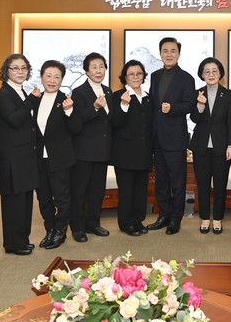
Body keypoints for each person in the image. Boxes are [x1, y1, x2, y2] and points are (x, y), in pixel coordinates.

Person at [146, 37, 196, 235]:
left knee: (177, 182)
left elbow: (190, 105)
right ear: (160, 54)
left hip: (175, 139)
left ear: (179, 54)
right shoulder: (155, 76)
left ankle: (176, 219)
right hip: (157, 137)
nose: (169, 54)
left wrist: (173, 108)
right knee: (161, 181)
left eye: (173, 51)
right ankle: (163, 216)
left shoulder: (186, 78)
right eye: (165, 51)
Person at [0, 53, 41, 255]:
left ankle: (22, 239)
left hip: (24, 155)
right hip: (12, 157)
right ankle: (13, 244)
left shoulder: (20, 91)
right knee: (13, 202)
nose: (20, 72)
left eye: (24, 68)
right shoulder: (4, 94)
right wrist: (32, 100)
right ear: (6, 71)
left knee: (24, 200)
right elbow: (14, 119)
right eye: (15, 68)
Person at [34, 60, 83, 250]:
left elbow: (77, 128)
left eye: (57, 77)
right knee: (43, 197)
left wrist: (69, 111)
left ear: (62, 79)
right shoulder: (35, 99)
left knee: (62, 198)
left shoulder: (66, 100)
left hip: (60, 158)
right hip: (39, 158)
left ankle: (60, 231)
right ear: (41, 77)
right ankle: (50, 230)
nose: (52, 80)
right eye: (48, 76)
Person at [190, 57, 231, 234]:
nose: (211, 74)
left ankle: (217, 218)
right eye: (207, 71)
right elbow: (194, 118)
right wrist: (200, 106)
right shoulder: (197, 93)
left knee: (220, 185)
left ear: (220, 74)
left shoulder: (228, 94)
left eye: (214, 71)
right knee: (202, 185)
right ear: (202, 74)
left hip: (221, 147)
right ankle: (204, 218)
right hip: (201, 147)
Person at [70, 52, 113, 242]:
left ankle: (93, 223)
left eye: (101, 66)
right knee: (80, 191)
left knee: (97, 190)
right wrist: (95, 107)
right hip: (84, 151)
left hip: (102, 150)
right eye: (94, 67)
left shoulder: (108, 91)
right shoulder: (79, 92)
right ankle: (77, 227)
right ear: (87, 71)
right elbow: (77, 120)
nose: (98, 70)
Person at [110, 60, 153, 236]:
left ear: (143, 76)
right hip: (125, 153)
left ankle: (137, 220)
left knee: (141, 190)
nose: (135, 77)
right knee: (126, 191)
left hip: (144, 152)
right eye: (131, 74)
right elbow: (115, 123)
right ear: (125, 78)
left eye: (139, 73)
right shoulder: (118, 96)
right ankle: (126, 223)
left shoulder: (149, 98)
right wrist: (124, 105)